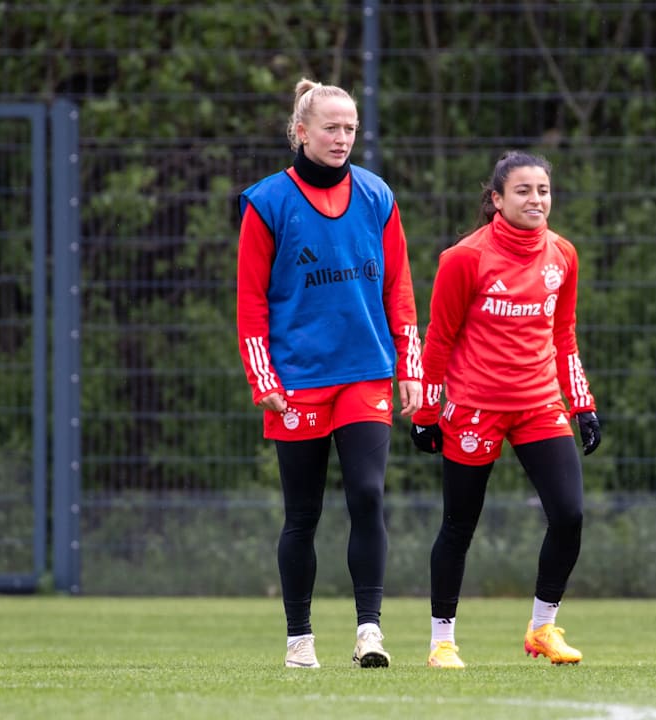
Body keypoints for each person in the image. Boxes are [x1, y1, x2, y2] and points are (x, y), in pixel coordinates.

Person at [236, 78, 423, 669]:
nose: (342, 138)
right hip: (296, 379)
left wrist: (410, 368)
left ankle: (370, 630)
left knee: (367, 495)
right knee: (303, 514)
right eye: (330, 127)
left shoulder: (377, 196)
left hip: (365, 372)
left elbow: (400, 289)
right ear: (301, 132)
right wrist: (263, 379)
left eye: (350, 129)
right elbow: (251, 303)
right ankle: (300, 639)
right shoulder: (267, 203)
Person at [410, 150, 601, 669]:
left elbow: (563, 335)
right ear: (496, 199)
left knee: (569, 514)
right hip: (474, 409)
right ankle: (442, 642)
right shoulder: (464, 259)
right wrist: (427, 412)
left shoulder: (563, 254)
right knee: (459, 525)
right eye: (522, 190)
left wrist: (581, 402)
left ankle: (542, 629)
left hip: (540, 405)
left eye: (542, 190)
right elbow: (439, 341)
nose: (535, 199)